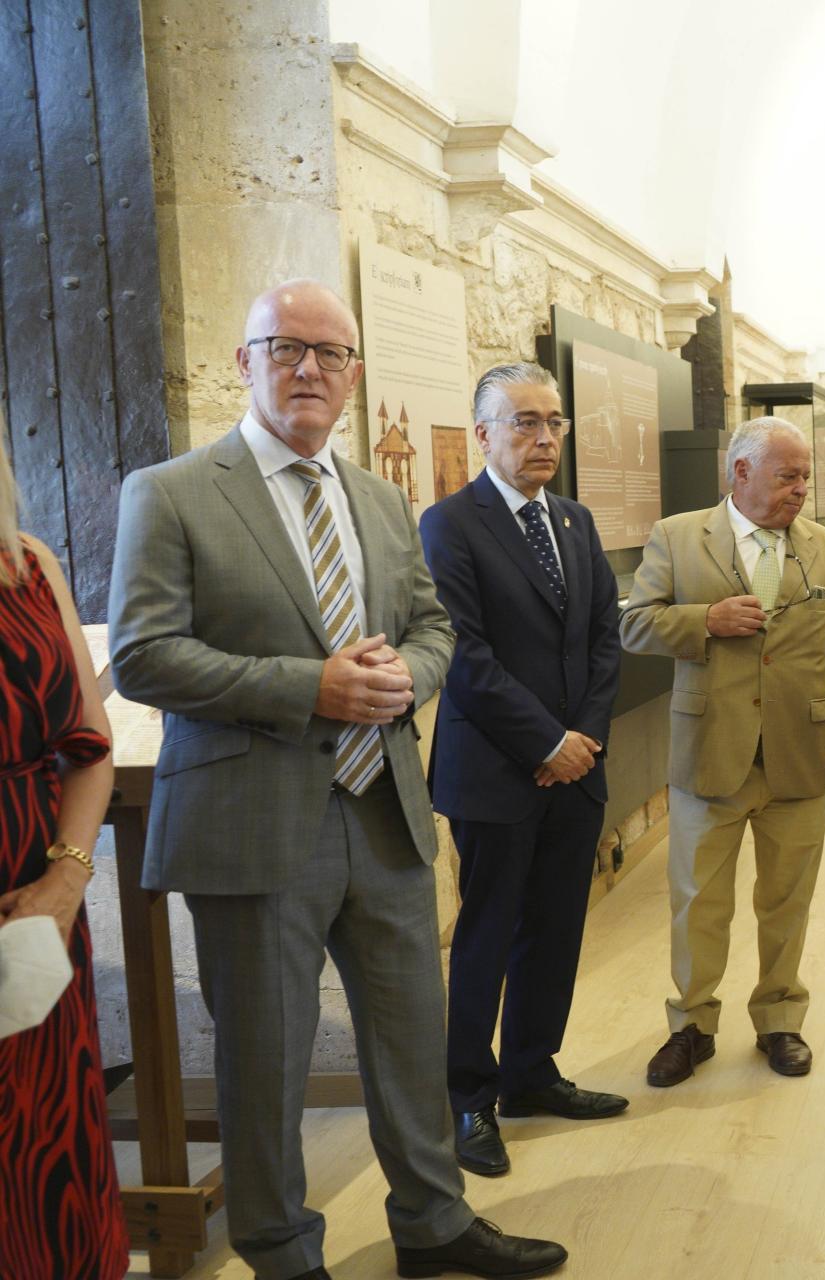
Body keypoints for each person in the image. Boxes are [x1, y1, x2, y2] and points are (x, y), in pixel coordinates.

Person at [108, 281, 565, 1280]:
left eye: (330, 352)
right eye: (286, 348)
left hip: (383, 808)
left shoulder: (379, 498)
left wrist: (408, 679)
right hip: (250, 819)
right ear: (245, 362)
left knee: (412, 1036)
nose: (309, 367)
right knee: (265, 1055)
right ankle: (280, 1249)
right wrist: (309, 685)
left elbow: (432, 625)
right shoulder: (173, 490)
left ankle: (433, 1221)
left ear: (354, 375)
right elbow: (142, 656)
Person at [419, 362, 626, 1179]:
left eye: (554, 423)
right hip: (498, 773)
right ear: (482, 434)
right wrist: (547, 743)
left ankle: (532, 1073)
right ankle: (469, 1095)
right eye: (524, 423)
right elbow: (464, 655)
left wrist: (584, 739)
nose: (544, 439)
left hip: (576, 770)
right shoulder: (449, 525)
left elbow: (604, 639)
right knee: (487, 935)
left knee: (556, 930)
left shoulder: (574, 521)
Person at [620, 416, 825, 1086]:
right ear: (740, 472)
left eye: (804, 476)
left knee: (787, 898)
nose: (800, 489)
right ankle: (691, 1026)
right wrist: (706, 620)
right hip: (710, 755)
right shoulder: (679, 537)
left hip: (799, 751)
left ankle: (780, 1020)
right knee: (699, 899)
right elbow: (634, 624)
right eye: (787, 475)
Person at [0, 424, 128, 1278]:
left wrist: (65, 879)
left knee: (42, 1166)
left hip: (29, 912)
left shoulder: (27, 564)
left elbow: (90, 746)